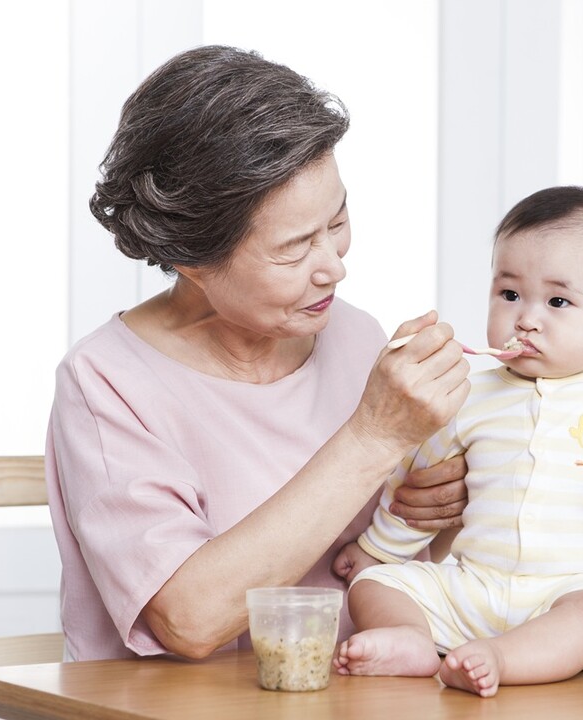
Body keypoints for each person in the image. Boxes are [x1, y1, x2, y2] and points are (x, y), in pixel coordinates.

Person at [45, 45, 473, 662]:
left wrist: (437, 511)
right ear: (194, 259)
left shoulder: (356, 337)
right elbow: (189, 619)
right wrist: (374, 438)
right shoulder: (107, 380)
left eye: (338, 219)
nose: (334, 267)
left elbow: (390, 570)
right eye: (295, 248)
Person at [333, 186, 583, 696]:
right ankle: (413, 639)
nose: (526, 317)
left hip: (570, 589)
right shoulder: (468, 395)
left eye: (557, 301)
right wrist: (376, 551)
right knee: (374, 587)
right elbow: (416, 484)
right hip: (476, 586)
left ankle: (501, 657)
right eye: (509, 294)